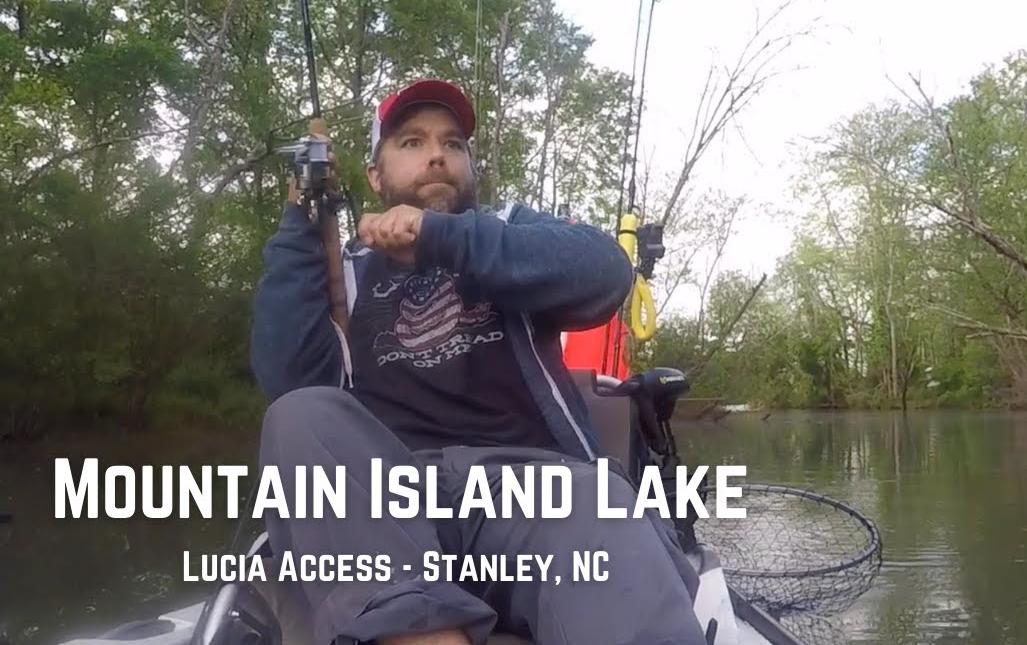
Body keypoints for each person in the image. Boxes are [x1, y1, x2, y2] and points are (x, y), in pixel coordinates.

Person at [249, 79, 707, 645]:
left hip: (535, 495)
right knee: (299, 414)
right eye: (412, 142)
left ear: (470, 167)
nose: (437, 154)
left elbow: (605, 273)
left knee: (597, 500)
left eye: (453, 143)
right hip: (390, 510)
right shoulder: (344, 269)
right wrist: (300, 218)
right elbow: (287, 373)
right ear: (375, 176)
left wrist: (441, 237)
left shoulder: (510, 232)